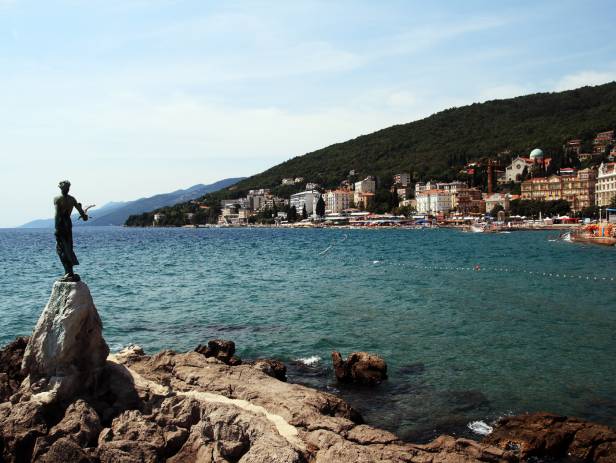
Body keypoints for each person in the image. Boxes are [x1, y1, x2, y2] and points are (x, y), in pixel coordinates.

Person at [54, 181, 88, 281]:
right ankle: (70, 272)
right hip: (68, 224)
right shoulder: (72, 199)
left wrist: (56, 228)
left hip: (61, 224)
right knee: (68, 247)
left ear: (61, 188)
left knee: (61, 249)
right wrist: (84, 215)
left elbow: (57, 215)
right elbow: (83, 216)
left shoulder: (57, 199)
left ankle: (68, 272)